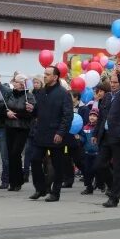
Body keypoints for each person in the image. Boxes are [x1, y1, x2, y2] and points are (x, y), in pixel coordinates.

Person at [27, 65, 72, 202]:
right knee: (35, 160)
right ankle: (40, 188)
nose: (45, 76)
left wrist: (61, 133)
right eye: (44, 73)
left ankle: (55, 192)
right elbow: (39, 111)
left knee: (57, 165)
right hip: (41, 133)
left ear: (55, 77)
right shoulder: (41, 92)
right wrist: (32, 109)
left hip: (55, 135)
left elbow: (67, 115)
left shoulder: (63, 93)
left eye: (48, 74)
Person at [94, 63, 120, 208]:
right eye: (111, 82)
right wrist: (95, 133)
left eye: (115, 82)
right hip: (106, 135)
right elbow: (101, 116)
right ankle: (116, 187)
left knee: (118, 167)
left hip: (119, 136)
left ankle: (114, 197)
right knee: (99, 165)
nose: (113, 85)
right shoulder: (107, 96)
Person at [4, 73, 35, 192]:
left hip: (22, 128)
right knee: (10, 154)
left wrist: (15, 113)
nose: (14, 83)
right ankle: (13, 181)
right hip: (10, 127)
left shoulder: (29, 96)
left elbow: (30, 113)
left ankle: (18, 180)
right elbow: (4, 108)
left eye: (16, 81)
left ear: (22, 84)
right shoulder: (10, 94)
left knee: (15, 153)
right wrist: (7, 113)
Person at [80, 108, 100, 194]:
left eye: (94, 116)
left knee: (96, 169)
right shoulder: (85, 127)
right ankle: (89, 187)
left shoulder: (99, 128)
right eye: (90, 115)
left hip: (97, 153)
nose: (92, 117)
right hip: (87, 153)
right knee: (87, 171)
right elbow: (83, 139)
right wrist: (79, 138)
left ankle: (100, 184)